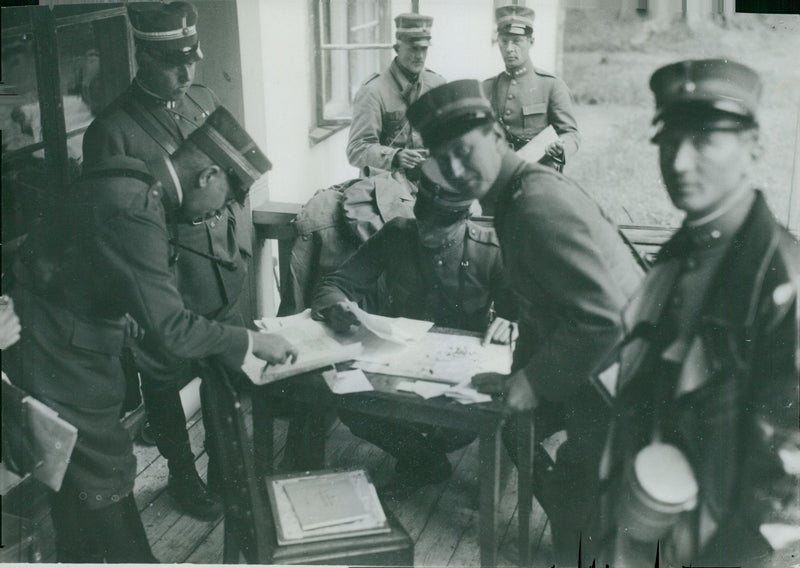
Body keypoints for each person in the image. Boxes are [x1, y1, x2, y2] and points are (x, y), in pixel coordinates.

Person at [3, 106, 297, 563]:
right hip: (61, 349)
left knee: (66, 463)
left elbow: (91, 254)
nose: (222, 210)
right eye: (228, 196)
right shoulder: (139, 209)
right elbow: (173, 331)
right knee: (103, 466)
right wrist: (251, 341)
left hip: (51, 332)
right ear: (208, 175)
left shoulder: (132, 173)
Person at [406, 79, 643, 564]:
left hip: (625, 379)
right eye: (441, 158)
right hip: (597, 369)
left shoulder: (535, 206)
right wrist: (518, 377)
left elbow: (603, 322)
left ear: (497, 137)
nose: (455, 169)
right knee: (530, 445)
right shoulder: (514, 197)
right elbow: (544, 308)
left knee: (593, 513)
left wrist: (532, 384)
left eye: (464, 151)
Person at [597, 59, 800, 568]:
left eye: (705, 140)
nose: (680, 162)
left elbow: (790, 485)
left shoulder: (782, 279)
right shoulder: (683, 251)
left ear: (753, 145)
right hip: (651, 516)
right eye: (669, 141)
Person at [82, 1, 246, 519]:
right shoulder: (112, 130)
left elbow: (233, 171)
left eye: (191, 59)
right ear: (141, 55)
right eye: (172, 62)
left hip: (219, 267)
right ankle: (182, 477)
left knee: (226, 375)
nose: (186, 72)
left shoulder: (202, 99)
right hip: (163, 280)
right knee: (163, 386)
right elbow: (106, 230)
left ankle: (226, 471)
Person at [311, 168, 515, 496]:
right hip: (396, 362)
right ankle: (425, 461)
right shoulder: (397, 234)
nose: (428, 234)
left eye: (441, 228)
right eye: (423, 221)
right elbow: (336, 283)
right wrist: (337, 306)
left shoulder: (491, 250)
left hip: (457, 373)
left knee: (455, 430)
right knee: (351, 405)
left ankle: (422, 458)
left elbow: (526, 309)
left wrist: (512, 319)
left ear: (465, 218)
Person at [346, 12, 445, 188]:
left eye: (424, 49)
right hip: (386, 189)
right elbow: (356, 150)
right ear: (397, 48)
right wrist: (395, 156)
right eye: (413, 48)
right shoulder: (373, 91)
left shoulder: (437, 84)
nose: (419, 56)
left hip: (429, 186)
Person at [482, 5, 579, 183]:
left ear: (530, 42)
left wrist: (560, 148)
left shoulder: (551, 85)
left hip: (538, 176)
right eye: (504, 41)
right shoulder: (487, 88)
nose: (509, 48)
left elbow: (570, 133)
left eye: (517, 41)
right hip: (498, 178)